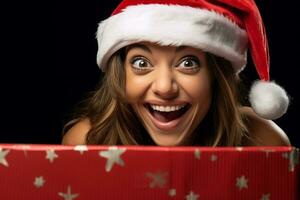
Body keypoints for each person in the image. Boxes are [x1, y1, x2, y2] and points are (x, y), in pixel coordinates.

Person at [62, 0, 291, 146]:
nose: (164, 87)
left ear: (215, 76)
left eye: (188, 63)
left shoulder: (263, 141)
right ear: (120, 75)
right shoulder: (86, 144)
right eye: (142, 63)